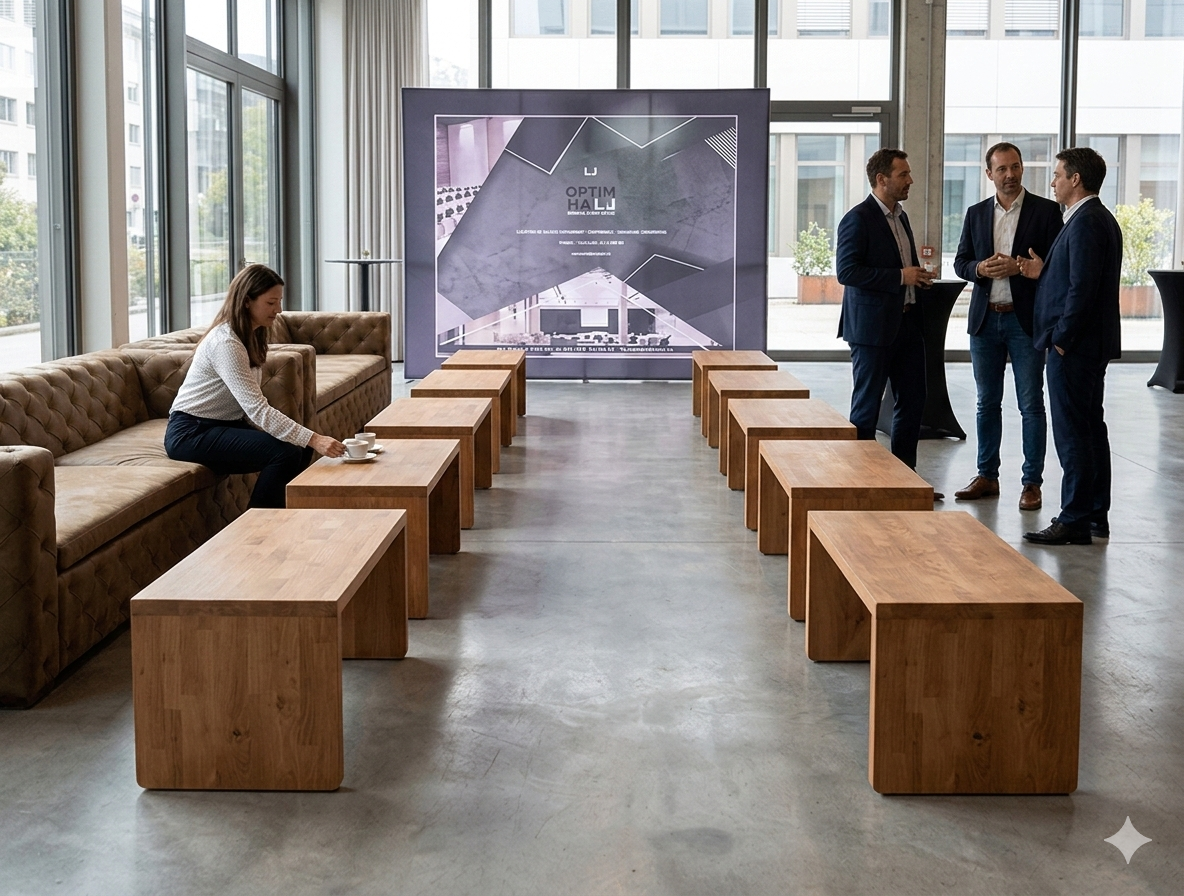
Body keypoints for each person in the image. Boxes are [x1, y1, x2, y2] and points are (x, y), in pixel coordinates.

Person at [165, 264, 346, 508]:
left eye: (279, 301)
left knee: (297, 447)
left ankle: (284, 513)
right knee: (287, 452)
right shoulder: (226, 343)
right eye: (271, 303)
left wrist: (303, 438)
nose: (278, 310)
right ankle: (259, 525)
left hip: (221, 425)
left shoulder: (251, 335)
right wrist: (315, 438)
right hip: (191, 432)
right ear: (247, 301)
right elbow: (257, 410)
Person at [1018, 147, 1122, 545]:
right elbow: (1076, 277)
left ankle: (1075, 517)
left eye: (1059, 174)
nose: (1053, 181)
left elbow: (1082, 290)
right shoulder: (1092, 219)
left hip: (1075, 348)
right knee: (1091, 428)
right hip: (1086, 345)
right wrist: (1045, 272)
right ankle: (1094, 513)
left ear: (1075, 179)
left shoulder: (1086, 222)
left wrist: (1060, 339)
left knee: (1074, 433)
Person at [952, 142, 1063, 511]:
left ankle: (1032, 483)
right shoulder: (975, 213)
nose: (1010, 175)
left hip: (1024, 321)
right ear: (989, 174)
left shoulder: (1047, 212)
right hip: (985, 321)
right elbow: (961, 262)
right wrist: (979, 269)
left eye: (1015, 167)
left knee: (1031, 404)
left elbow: (1057, 266)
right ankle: (988, 475)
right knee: (987, 403)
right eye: (1002, 169)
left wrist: (1022, 268)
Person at [836, 148, 938, 493]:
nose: (910, 180)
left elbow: (901, 268)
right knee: (866, 407)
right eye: (903, 175)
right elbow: (847, 271)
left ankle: (905, 481)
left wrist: (916, 277)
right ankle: (862, 482)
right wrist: (900, 276)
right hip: (871, 331)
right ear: (882, 179)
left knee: (912, 404)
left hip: (908, 324)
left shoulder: (902, 217)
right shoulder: (857, 219)